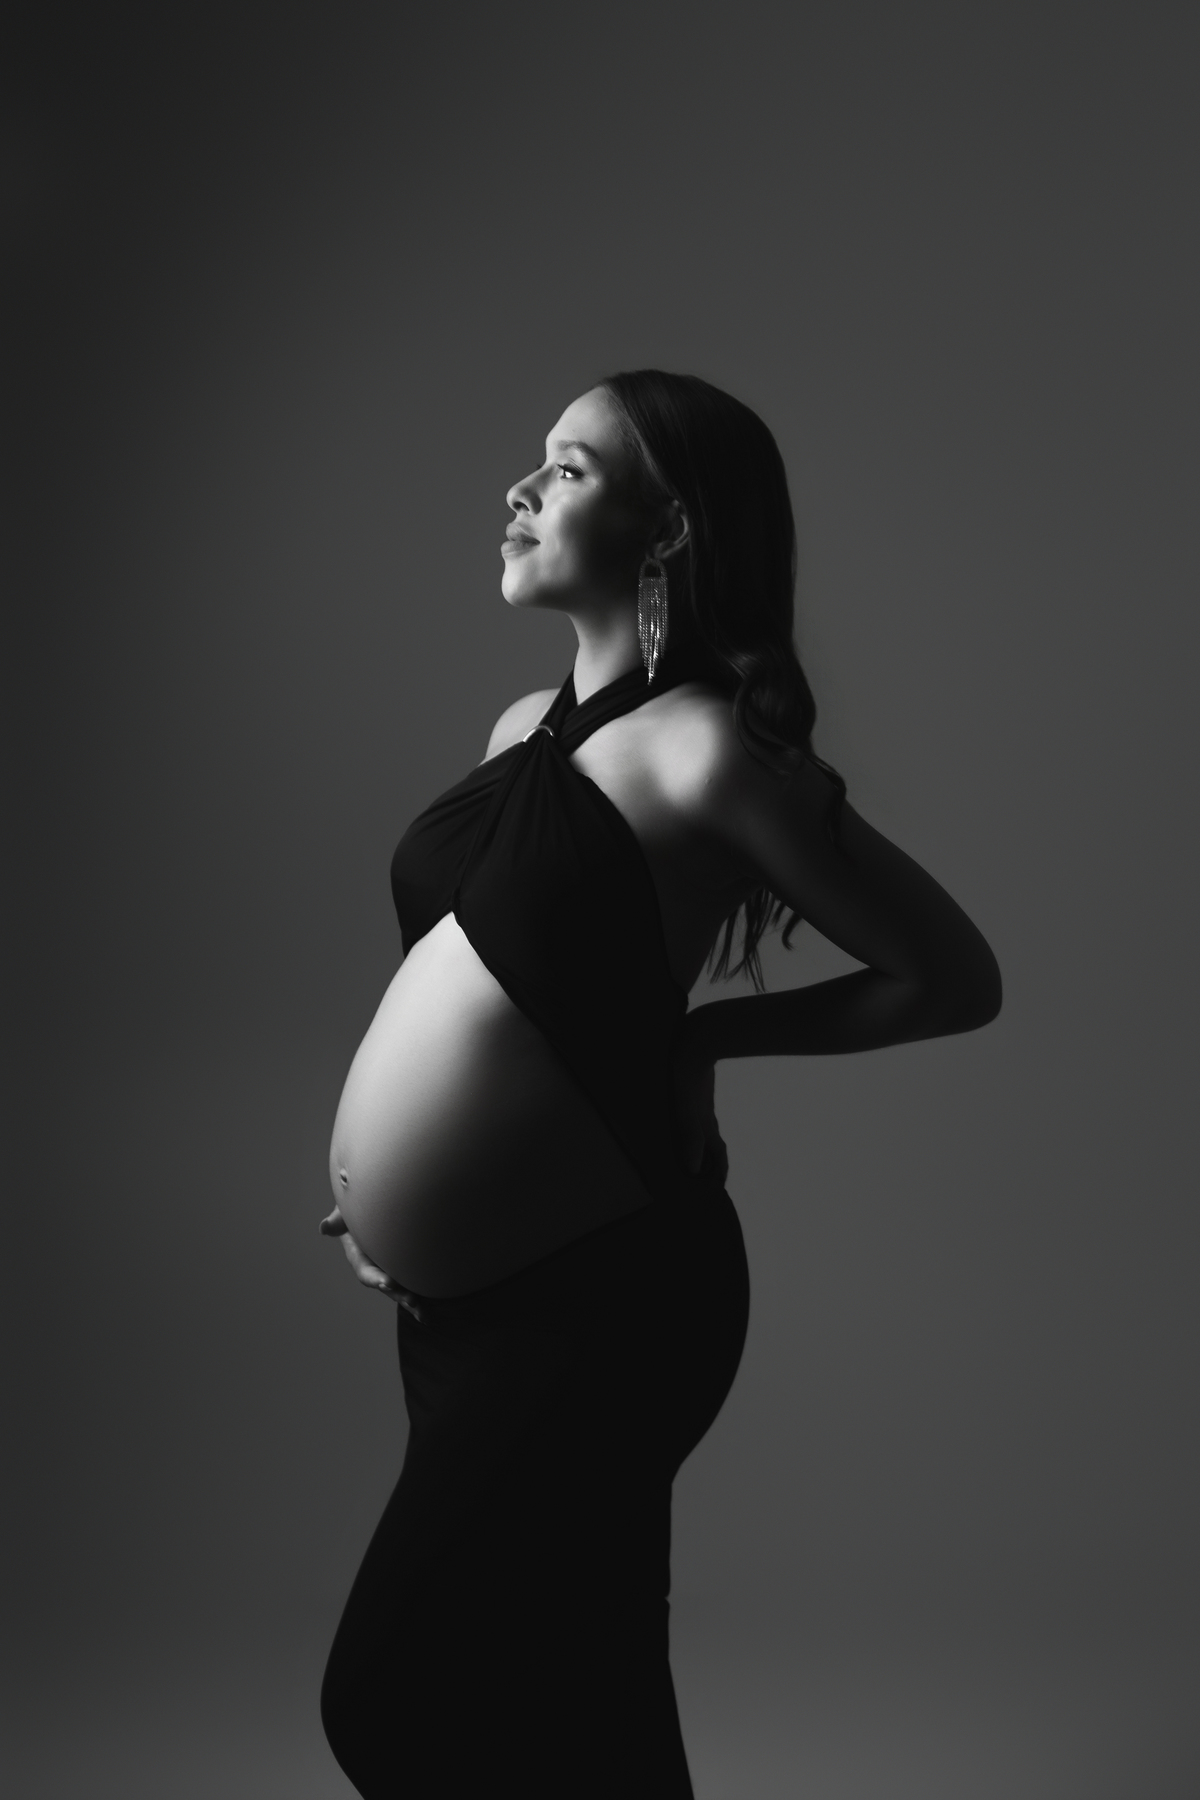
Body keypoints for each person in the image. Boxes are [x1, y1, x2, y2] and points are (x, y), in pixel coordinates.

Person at [317, 369, 1002, 1798]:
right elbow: (499, 1000)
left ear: (669, 525)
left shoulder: (709, 749)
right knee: (588, 1683)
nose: (520, 491)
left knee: (389, 1698)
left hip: (607, 1296)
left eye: (565, 470)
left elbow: (950, 977)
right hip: (471, 1304)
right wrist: (396, 1193)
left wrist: (707, 1043)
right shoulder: (518, 734)